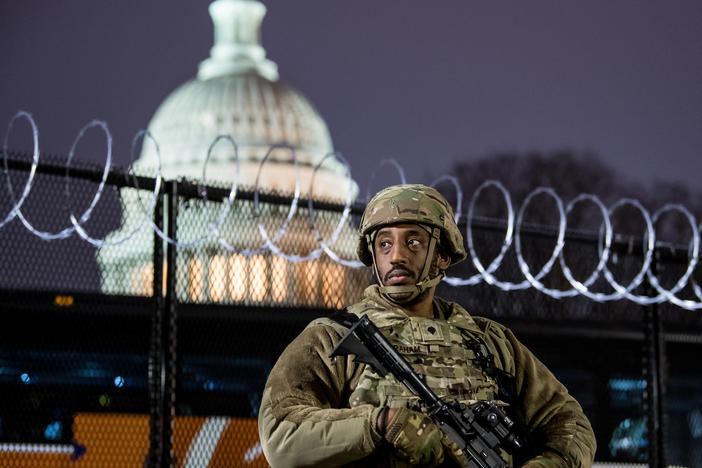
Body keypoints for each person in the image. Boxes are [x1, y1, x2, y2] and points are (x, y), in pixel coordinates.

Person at [258, 184, 596, 467]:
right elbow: (280, 434)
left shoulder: (491, 342)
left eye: (414, 242)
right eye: (384, 244)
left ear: (442, 256)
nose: (397, 256)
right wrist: (380, 423)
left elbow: (570, 424)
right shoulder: (331, 336)